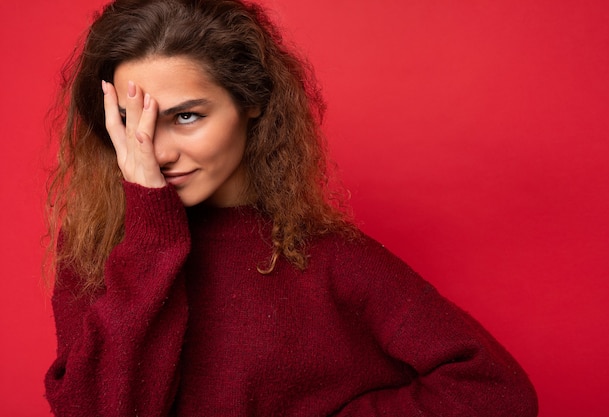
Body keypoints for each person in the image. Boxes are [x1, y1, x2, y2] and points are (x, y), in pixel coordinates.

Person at [44, 0, 539, 415]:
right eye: (133, 122)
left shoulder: (324, 257)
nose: (158, 150)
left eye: (186, 116)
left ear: (250, 101)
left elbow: (494, 392)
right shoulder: (96, 249)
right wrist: (152, 233)